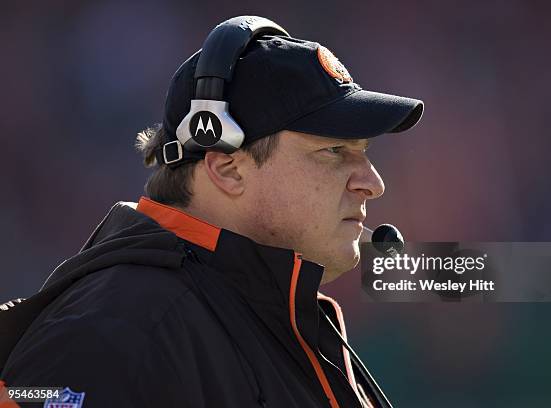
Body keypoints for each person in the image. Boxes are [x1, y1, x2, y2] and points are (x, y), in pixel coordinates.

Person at [0, 16, 423, 408]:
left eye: (363, 152)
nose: (373, 182)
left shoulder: (272, 317)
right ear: (227, 168)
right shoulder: (120, 332)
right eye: (333, 151)